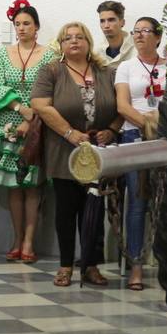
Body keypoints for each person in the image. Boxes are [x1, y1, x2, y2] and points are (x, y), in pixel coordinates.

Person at [32, 21, 121, 287]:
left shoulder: (106, 71)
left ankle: (91, 265)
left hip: (98, 151)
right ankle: (66, 266)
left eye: (80, 37)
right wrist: (69, 133)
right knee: (67, 211)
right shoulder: (52, 71)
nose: (74, 41)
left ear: (88, 43)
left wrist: (112, 130)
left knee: (93, 208)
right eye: (68, 38)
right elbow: (40, 105)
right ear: (60, 44)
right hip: (64, 151)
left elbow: (121, 106)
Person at [0, 0, 55, 263]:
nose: (21, 28)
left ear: (37, 27)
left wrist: (32, 116)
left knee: (32, 185)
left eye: (27, 24)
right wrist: (21, 109)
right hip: (9, 123)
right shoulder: (2, 54)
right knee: (13, 186)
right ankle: (15, 239)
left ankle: (30, 242)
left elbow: (49, 88)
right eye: (17, 24)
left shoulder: (49, 54)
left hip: (38, 124)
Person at [113, 17, 165, 290]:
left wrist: (160, 124)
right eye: (136, 31)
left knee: (165, 201)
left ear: (158, 37)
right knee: (138, 200)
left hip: (165, 138)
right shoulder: (126, 67)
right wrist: (147, 124)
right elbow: (122, 105)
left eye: (146, 31)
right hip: (134, 135)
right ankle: (136, 264)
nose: (140, 35)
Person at [96, 0, 134, 66]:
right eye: (102, 21)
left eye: (111, 20)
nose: (106, 25)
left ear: (122, 22)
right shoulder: (96, 53)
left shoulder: (136, 49)